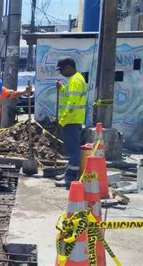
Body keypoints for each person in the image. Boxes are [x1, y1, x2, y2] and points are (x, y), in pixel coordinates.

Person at [54, 57, 88, 188]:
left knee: (73, 150)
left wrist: (62, 120)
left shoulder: (75, 81)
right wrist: (62, 88)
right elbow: (69, 96)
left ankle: (70, 177)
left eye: (61, 70)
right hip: (72, 120)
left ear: (68, 67)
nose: (61, 73)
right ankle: (69, 172)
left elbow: (72, 104)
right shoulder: (75, 80)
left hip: (71, 120)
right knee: (70, 148)